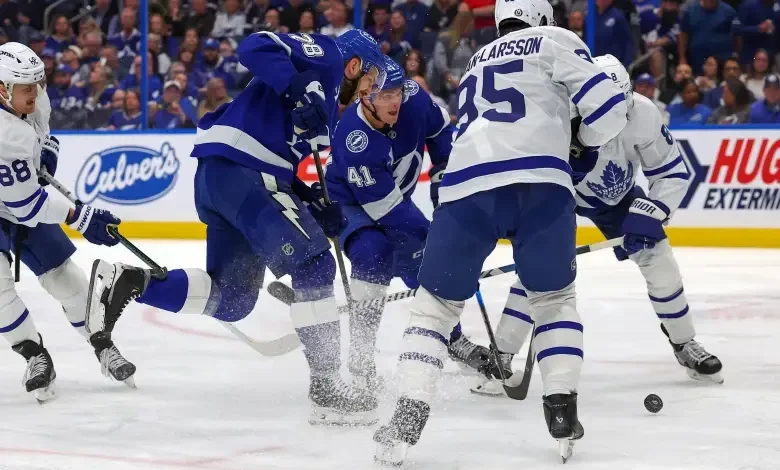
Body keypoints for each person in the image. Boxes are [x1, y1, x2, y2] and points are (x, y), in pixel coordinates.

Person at [84, 30, 388, 426]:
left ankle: (129, 284)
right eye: (372, 78)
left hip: (225, 179)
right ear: (354, 66)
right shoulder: (328, 58)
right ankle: (327, 387)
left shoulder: (328, 109)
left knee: (232, 298)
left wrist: (311, 202)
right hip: (244, 170)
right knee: (314, 265)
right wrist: (298, 86)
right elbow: (256, 44)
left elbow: (282, 159)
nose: (372, 89)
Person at [372, 0, 628, 464]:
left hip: (468, 185)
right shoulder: (556, 40)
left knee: (433, 310)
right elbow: (609, 110)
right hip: (543, 186)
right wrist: (578, 142)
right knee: (553, 301)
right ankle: (561, 408)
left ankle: (407, 416)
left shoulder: (474, 61)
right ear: (540, 16)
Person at [326, 57, 488, 391]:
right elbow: (389, 214)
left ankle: (453, 338)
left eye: (397, 91)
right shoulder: (355, 139)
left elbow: (441, 130)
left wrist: (443, 176)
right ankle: (360, 359)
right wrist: (439, 242)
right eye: (384, 95)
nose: (395, 100)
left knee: (425, 265)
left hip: (393, 199)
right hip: (349, 202)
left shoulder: (413, 98)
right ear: (365, 97)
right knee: (376, 253)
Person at [572, 55, 723, 384]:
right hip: (561, 196)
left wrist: (653, 210)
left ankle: (684, 342)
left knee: (659, 257)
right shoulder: (561, 114)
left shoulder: (642, 113)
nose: (618, 115)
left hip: (619, 197)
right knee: (539, 271)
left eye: (622, 104)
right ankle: (505, 351)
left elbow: (671, 171)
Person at [0, 42, 133, 402]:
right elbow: (27, 206)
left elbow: (42, 132)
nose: (36, 92)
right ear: (2, 89)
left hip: (15, 195)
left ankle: (102, 344)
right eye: (26, 87)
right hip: (10, 204)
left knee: (66, 280)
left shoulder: (32, 97)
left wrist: (46, 151)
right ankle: (35, 355)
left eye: (37, 83)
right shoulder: (4, 134)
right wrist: (82, 217)